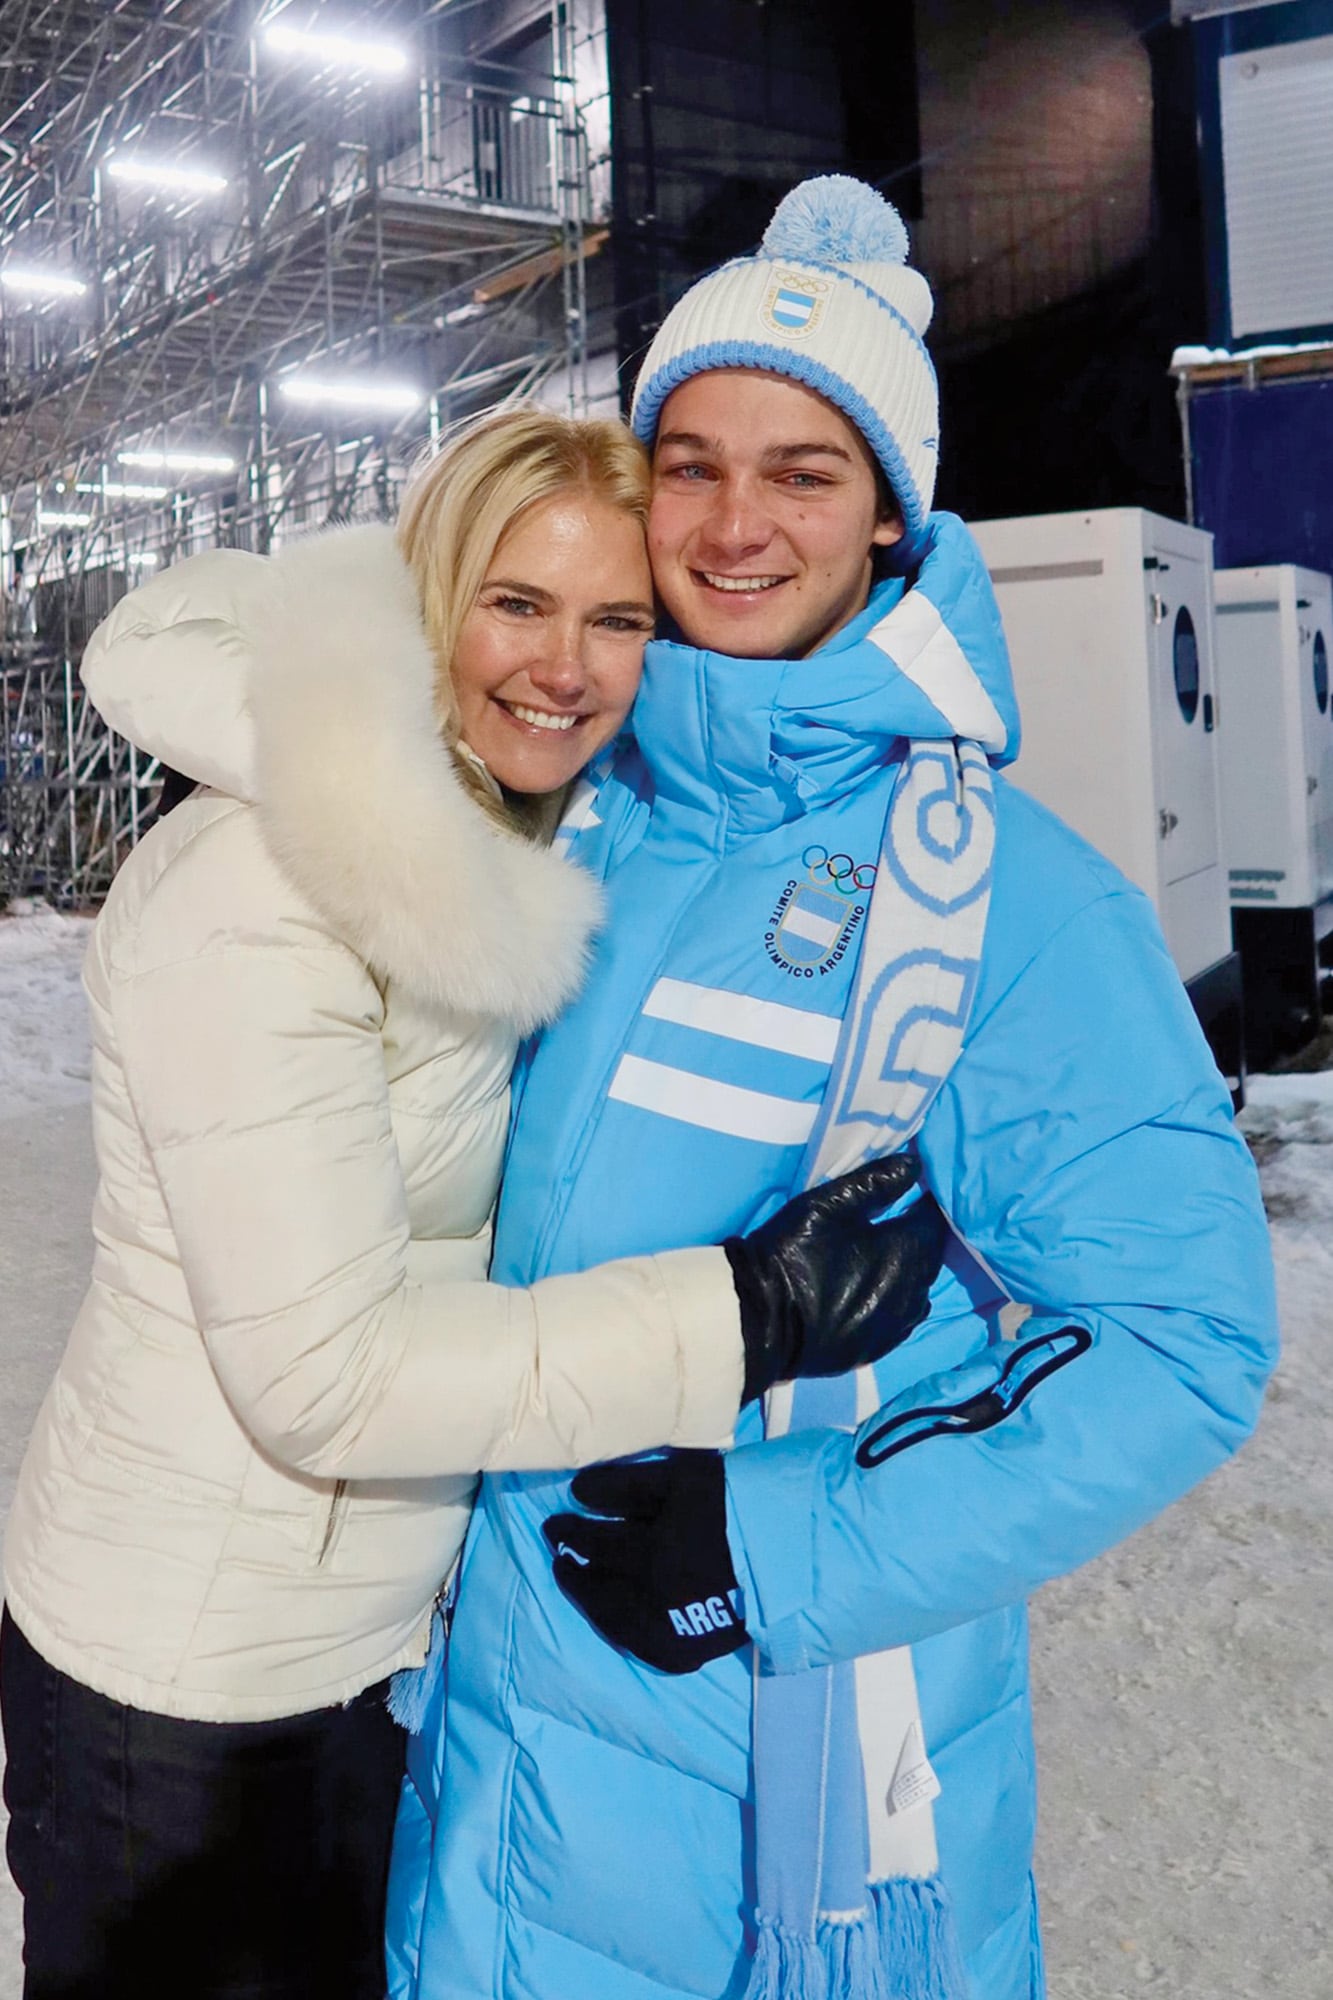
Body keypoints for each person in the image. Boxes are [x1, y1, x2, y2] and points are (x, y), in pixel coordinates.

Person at [387, 180, 1279, 2000]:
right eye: (691, 464)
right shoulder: (580, 813)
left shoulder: (1005, 895)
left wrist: (777, 1550)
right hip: (490, 1743)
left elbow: (1182, 1338)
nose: (731, 526)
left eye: (803, 472)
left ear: (890, 512)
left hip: (770, 1803)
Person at [0, 406, 949, 2000]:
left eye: (617, 620)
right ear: (430, 596)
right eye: (517, 604)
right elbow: (327, 1374)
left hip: (357, 1647)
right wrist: (742, 1313)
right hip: (189, 1696)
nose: (564, 668)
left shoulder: (495, 841)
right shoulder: (269, 892)